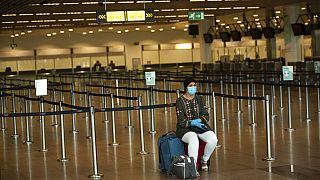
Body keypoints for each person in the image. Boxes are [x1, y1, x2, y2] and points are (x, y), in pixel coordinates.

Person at [175, 77, 218, 176]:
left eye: (194, 85)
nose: (193, 87)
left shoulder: (199, 99)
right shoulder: (180, 101)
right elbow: (181, 121)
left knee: (213, 139)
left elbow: (206, 115)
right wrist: (191, 123)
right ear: (186, 88)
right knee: (193, 137)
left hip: (199, 127)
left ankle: (204, 160)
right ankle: (193, 167)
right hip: (184, 129)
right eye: (190, 86)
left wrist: (199, 120)